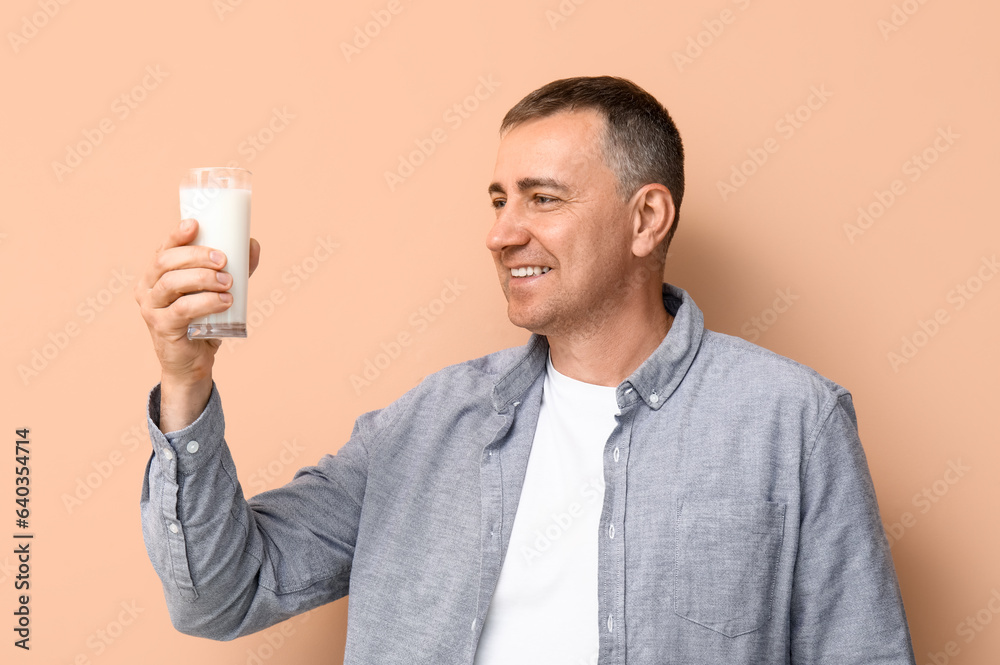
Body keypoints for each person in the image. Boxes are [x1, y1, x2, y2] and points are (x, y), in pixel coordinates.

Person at [136, 76, 916, 664]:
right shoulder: (425, 423)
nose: (501, 233)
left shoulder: (792, 421)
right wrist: (185, 378)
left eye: (542, 198)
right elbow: (217, 594)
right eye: (498, 198)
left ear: (647, 219)